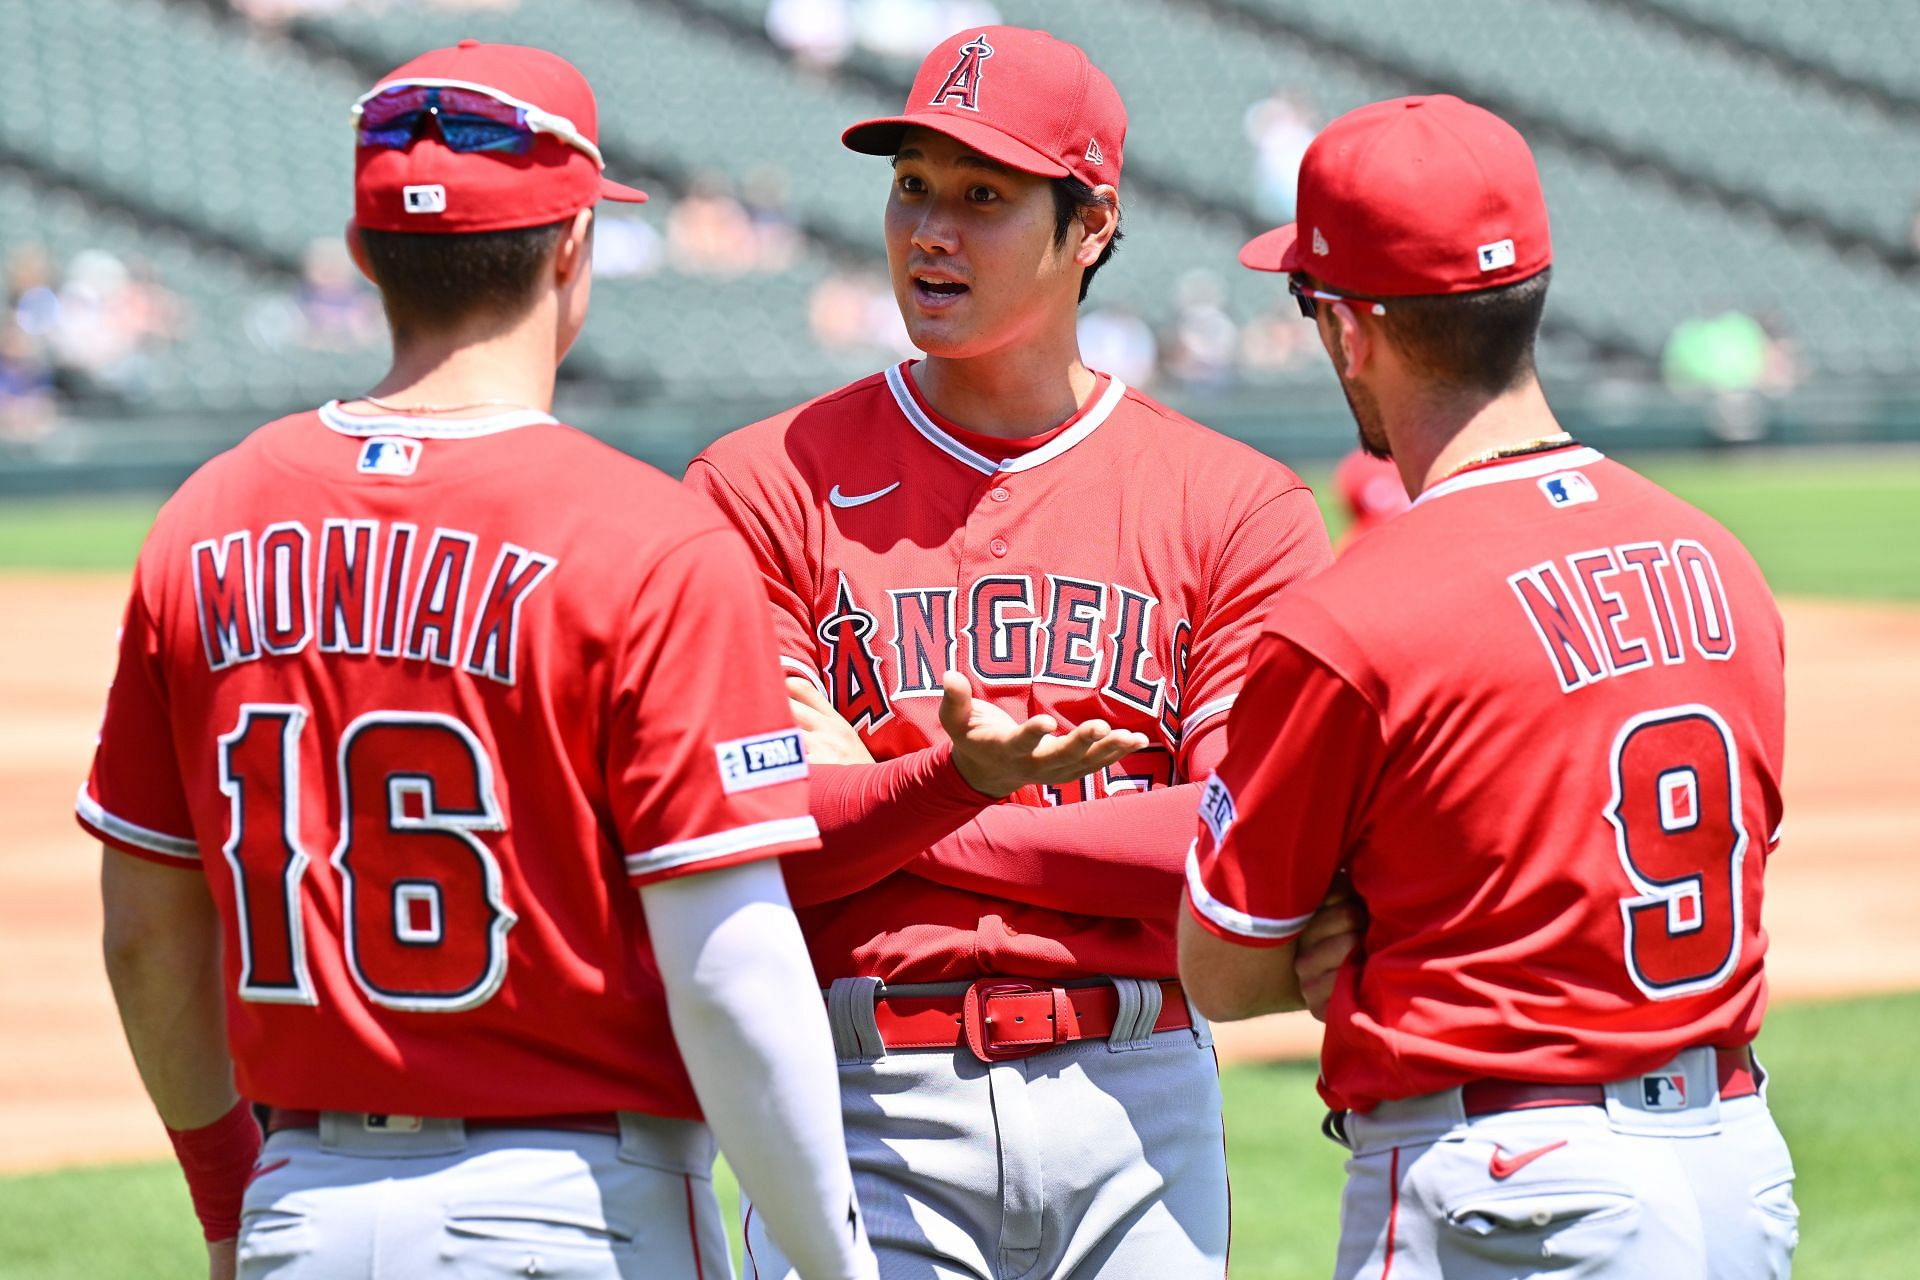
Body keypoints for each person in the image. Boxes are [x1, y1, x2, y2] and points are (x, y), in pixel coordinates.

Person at [79, 41, 877, 1280]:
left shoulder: (206, 518)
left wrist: (232, 1199)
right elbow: (731, 972)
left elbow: (145, 932)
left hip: (307, 1203)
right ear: (573, 249)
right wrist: (835, 1264)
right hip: (571, 1210)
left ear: (361, 254)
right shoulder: (648, 540)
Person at [685, 27, 1335, 1278]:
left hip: (1138, 1089)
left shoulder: (1232, 504)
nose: (931, 229)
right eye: (912, 184)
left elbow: (1234, 845)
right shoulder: (764, 486)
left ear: (1089, 226)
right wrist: (965, 786)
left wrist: (909, 797)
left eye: (984, 195)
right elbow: (759, 846)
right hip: (866, 1089)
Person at [1179, 94, 1798, 1279]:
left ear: (1351, 330)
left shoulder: (1355, 611)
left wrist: (1365, 943)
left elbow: (1224, 962)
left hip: (1513, 1191)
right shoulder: (1719, 560)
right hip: (1735, 1170)